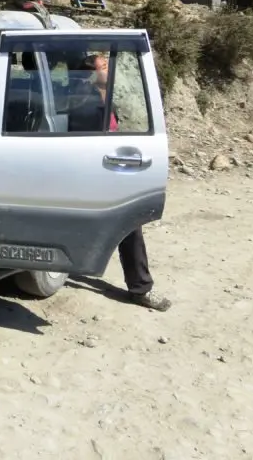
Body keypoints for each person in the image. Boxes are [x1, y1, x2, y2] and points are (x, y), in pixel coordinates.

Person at [77, 53, 172, 312]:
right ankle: (140, 288)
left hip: (110, 169)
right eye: (104, 66)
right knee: (129, 226)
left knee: (130, 227)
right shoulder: (85, 101)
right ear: (91, 74)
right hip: (95, 171)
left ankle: (139, 287)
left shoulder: (106, 97)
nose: (110, 69)